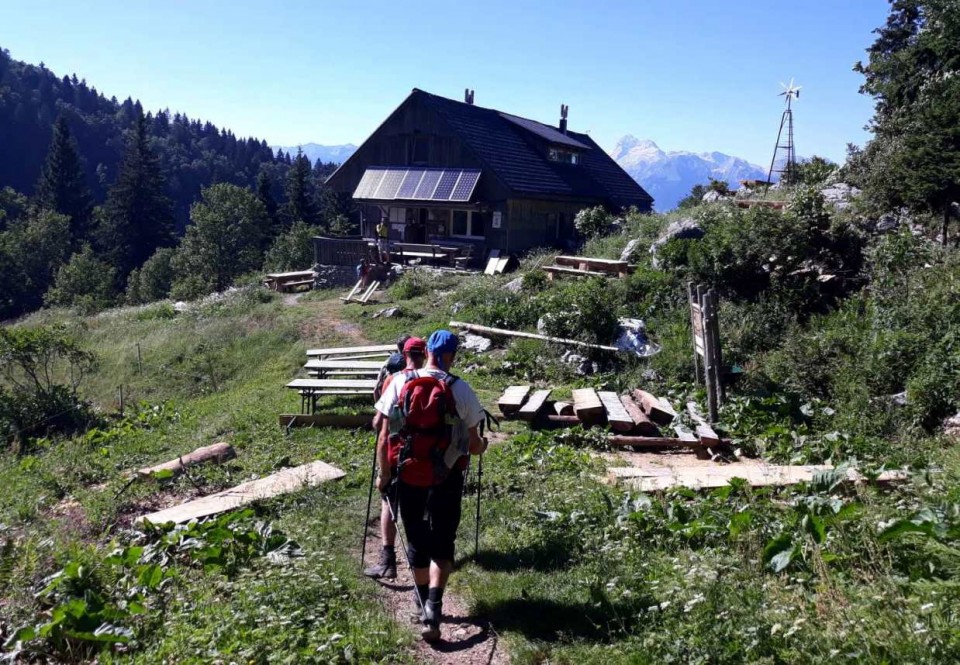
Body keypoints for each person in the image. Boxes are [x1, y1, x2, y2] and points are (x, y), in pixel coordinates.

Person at [373, 330, 487, 642]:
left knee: (416, 540)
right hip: (447, 476)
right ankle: (434, 608)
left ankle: (421, 601)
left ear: (428, 352)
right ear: (451, 356)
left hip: (408, 475)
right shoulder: (460, 389)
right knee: (443, 539)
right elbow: (474, 445)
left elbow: (383, 435)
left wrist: (384, 475)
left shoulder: (400, 381)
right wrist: (481, 445)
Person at [364, 336, 427, 579]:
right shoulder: (432, 379)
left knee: (389, 504)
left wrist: (383, 472)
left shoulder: (395, 379)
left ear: (404, 353)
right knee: (420, 508)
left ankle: (388, 560)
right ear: (425, 355)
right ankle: (422, 563)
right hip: (423, 456)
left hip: (395, 455)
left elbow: (379, 423)